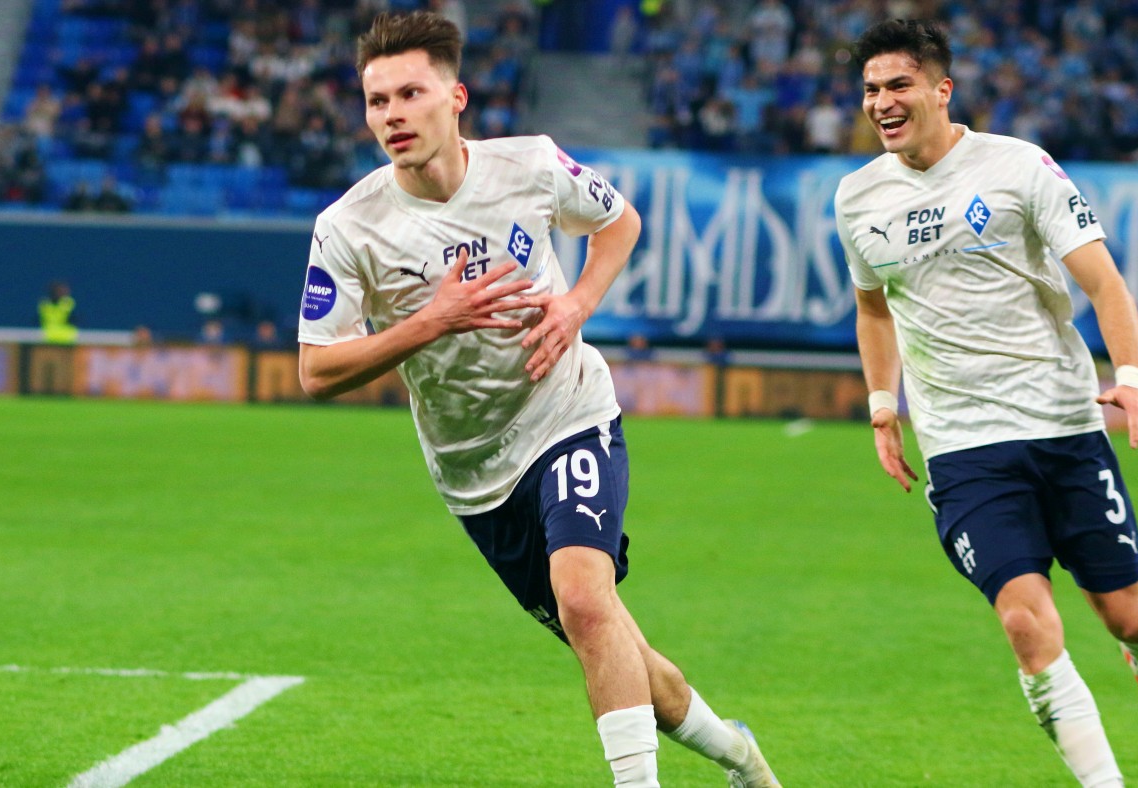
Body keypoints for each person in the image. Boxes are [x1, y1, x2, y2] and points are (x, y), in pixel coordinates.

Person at [295, 12, 778, 788]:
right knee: (619, 650)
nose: (391, 115)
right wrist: (431, 321)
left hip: (567, 414)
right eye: (376, 101)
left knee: (584, 601)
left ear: (455, 97)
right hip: (474, 476)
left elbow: (619, 222)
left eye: (410, 94)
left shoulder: (529, 165)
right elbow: (317, 371)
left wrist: (577, 305)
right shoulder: (349, 227)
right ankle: (739, 756)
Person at [834, 19, 1138, 787]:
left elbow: (1104, 284)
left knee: (1128, 615)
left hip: (1062, 425)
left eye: (899, 85)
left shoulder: (1019, 167)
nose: (882, 102)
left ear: (942, 90)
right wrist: (882, 403)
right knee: (1027, 622)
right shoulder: (857, 197)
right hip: (963, 448)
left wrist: (1133, 381)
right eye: (870, 89)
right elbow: (872, 309)